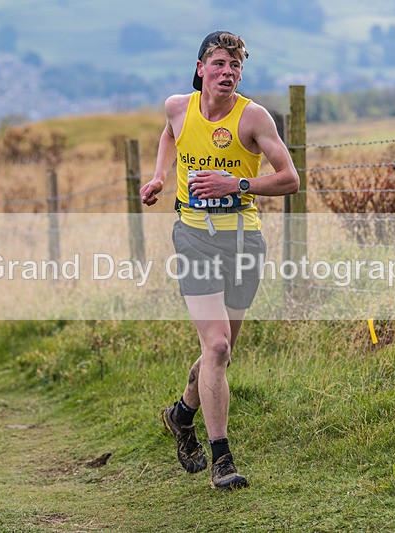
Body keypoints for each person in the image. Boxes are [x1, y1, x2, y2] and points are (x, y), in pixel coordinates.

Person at [140, 31, 299, 490]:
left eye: (235, 66)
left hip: (244, 242)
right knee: (217, 347)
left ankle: (181, 413)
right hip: (194, 239)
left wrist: (239, 185)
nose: (228, 72)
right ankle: (222, 460)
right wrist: (159, 177)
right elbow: (170, 134)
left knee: (222, 352)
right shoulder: (177, 107)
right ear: (200, 69)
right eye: (220, 64)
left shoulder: (254, 117)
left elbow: (290, 179)